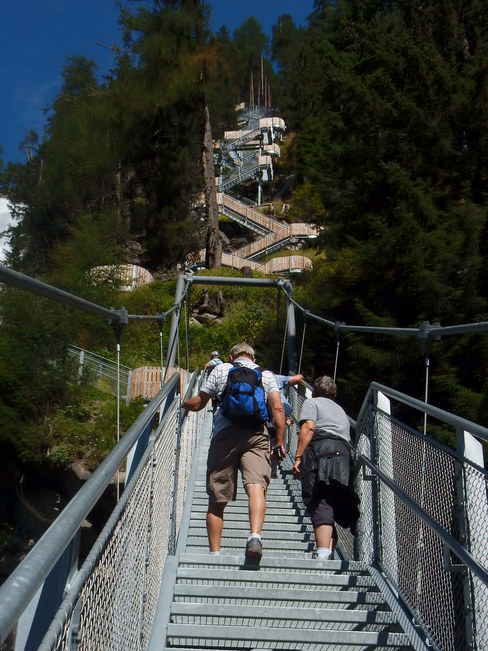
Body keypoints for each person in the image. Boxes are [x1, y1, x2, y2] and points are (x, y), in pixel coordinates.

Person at [183, 343, 286, 559]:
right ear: (253, 359)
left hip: (225, 434)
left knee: (217, 497)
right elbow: (277, 408)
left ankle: (215, 555)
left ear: (231, 356)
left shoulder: (220, 370)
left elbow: (199, 403)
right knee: (256, 486)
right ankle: (255, 536)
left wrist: (182, 404)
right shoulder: (266, 374)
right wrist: (279, 442)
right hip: (257, 435)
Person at [292, 376, 359, 560]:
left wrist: (298, 457)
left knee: (320, 499)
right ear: (334, 395)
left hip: (321, 452)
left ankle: (322, 553)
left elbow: (309, 427)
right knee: (331, 500)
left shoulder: (312, 403)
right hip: (344, 456)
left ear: (313, 391)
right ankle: (328, 552)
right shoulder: (340, 410)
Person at [268, 373, 303, 478]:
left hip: (266, 411)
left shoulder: (258, 377)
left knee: (269, 439)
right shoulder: (277, 377)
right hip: (282, 409)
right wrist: (300, 375)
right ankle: (273, 471)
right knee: (276, 440)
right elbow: (297, 378)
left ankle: (266, 469)